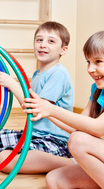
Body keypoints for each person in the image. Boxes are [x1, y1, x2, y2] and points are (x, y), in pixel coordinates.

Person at [0, 21, 75, 174]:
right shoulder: (38, 74)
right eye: (39, 40)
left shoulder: (59, 74)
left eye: (51, 41)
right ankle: (35, 156)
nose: (43, 45)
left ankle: (69, 163)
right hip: (34, 134)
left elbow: (36, 109)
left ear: (63, 50)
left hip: (53, 139)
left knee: (4, 160)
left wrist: (13, 85)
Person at [23, 30, 104, 188]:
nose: (90, 69)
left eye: (98, 61)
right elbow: (77, 128)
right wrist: (44, 109)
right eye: (88, 62)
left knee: (78, 141)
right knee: (55, 178)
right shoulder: (97, 90)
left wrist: (51, 110)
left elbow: (97, 128)